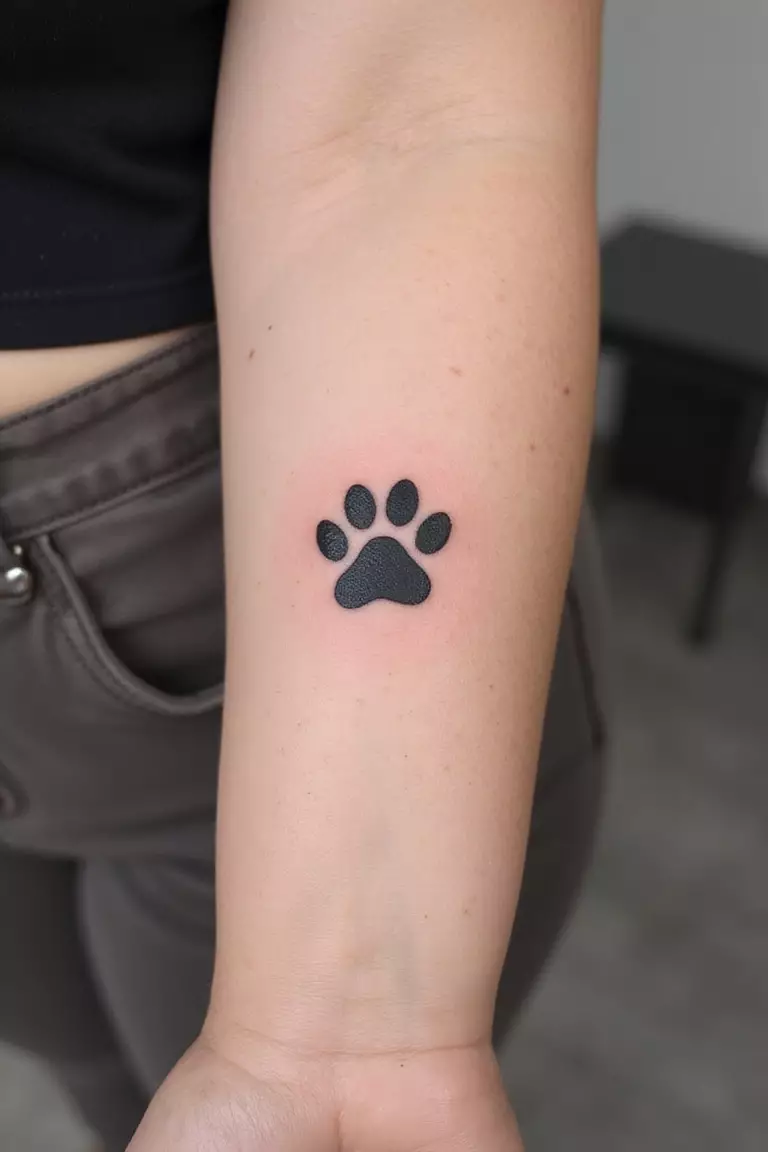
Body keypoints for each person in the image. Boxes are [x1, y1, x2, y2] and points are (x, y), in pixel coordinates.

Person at [0, 1, 607, 1148]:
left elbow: (412, 105)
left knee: (231, 1084)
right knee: (78, 1052)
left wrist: (344, 1032)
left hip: (202, 552)